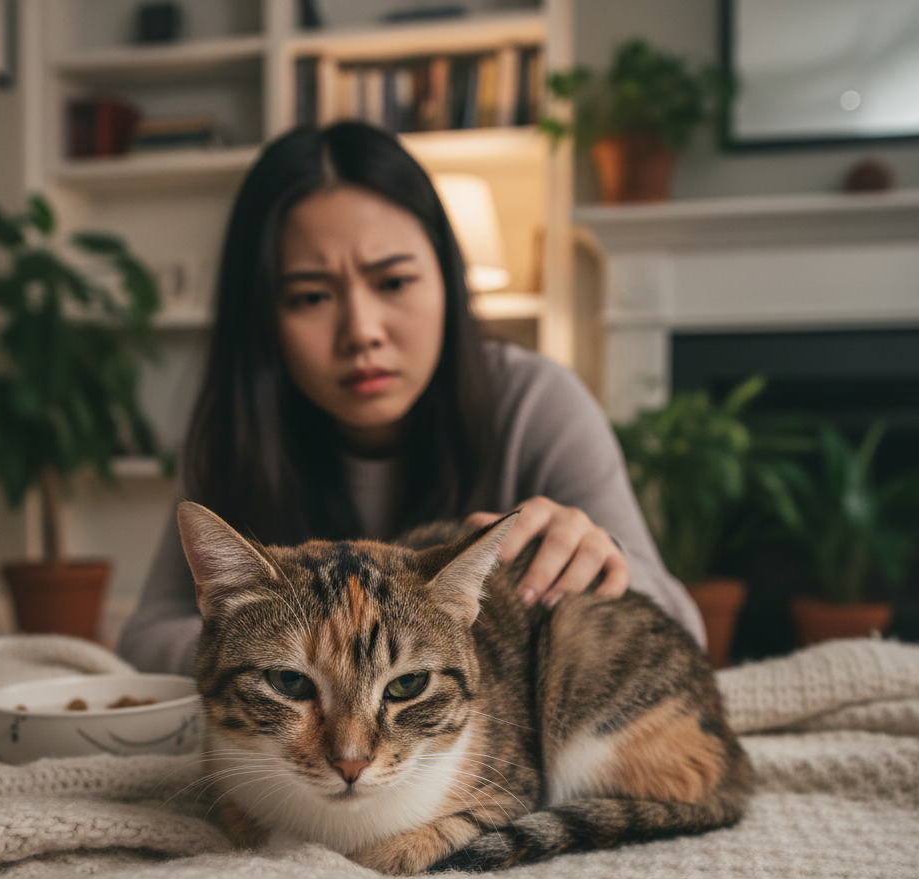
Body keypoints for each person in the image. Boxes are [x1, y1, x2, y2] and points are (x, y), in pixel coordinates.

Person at [118, 121, 703, 675]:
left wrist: (604, 559)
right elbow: (145, 635)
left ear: (447, 278)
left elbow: (686, 634)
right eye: (309, 297)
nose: (362, 331)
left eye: (394, 282)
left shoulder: (536, 401)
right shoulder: (240, 428)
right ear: (262, 319)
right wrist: (274, 651)